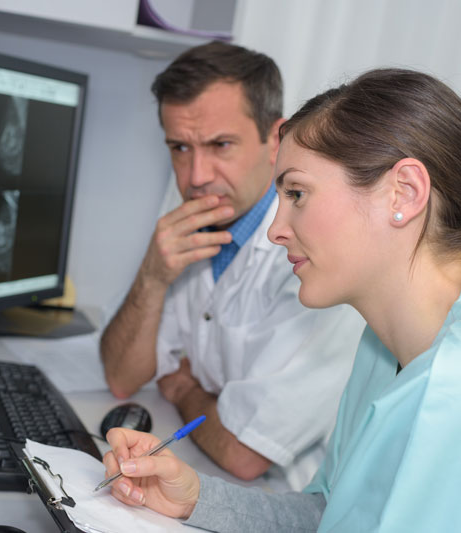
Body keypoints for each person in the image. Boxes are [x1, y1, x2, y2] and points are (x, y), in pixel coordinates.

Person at [101, 67, 461, 532]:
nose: (274, 228)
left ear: (404, 193)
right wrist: (193, 498)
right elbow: (330, 512)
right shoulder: (384, 346)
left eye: (297, 194)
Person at [99, 41, 365, 489]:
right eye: (180, 148)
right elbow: (123, 381)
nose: (197, 175)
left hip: (288, 505)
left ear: (275, 140)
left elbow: (244, 454)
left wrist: (184, 390)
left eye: (220, 144)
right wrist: (151, 276)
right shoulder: (197, 228)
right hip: (210, 474)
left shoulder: (319, 257)